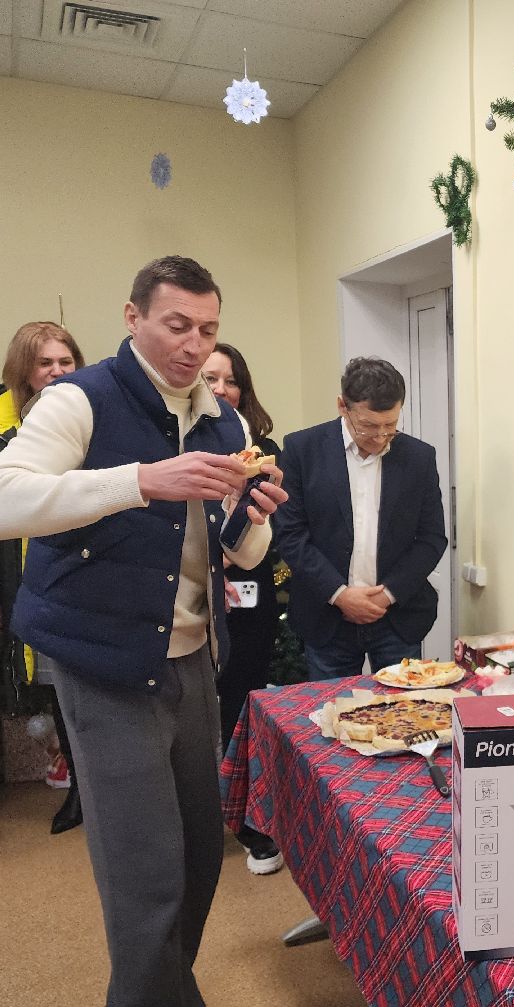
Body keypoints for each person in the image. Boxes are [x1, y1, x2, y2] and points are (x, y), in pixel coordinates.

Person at [0, 256, 286, 1007]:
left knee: (197, 857)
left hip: (191, 661)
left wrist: (253, 515)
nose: (194, 344)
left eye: (208, 329)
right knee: (145, 870)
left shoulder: (224, 422)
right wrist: (141, 480)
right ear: (134, 317)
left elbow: (241, 555)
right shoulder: (81, 400)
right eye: (177, 325)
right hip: (105, 664)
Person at [0, 320, 87, 834]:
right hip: (29, 577)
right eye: (44, 363)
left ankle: (101, 791)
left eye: (65, 361)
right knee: (58, 688)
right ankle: (78, 789)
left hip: (87, 574)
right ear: (23, 370)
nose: (57, 372)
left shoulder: (93, 412)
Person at [274, 356, 447, 679]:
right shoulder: (302, 449)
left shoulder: (419, 457)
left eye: (390, 426)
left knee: (401, 708)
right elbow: (291, 534)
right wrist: (340, 595)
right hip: (327, 617)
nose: (380, 437)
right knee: (331, 707)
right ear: (343, 406)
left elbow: (431, 538)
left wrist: (387, 594)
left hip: (397, 617)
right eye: (368, 426)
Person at [199, 343, 282, 875]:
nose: (220, 389)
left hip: (248, 600)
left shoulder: (263, 452)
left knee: (240, 710)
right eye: (211, 379)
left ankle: (250, 824)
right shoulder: (181, 448)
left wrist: (232, 555)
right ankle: (198, 824)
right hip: (187, 604)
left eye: (230, 381)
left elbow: (275, 526)